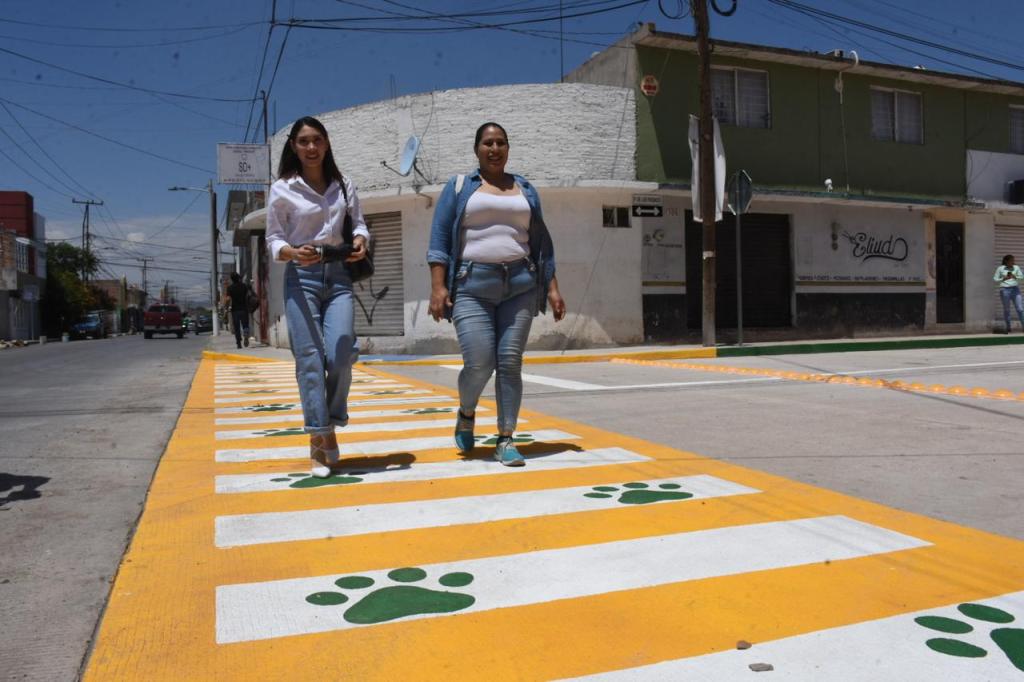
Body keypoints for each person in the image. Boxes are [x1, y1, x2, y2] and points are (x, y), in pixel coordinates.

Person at [427, 122, 566, 467]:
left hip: (520, 284)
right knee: (479, 362)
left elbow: (541, 244)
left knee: (509, 363)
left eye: (500, 142)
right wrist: (438, 286)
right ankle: (466, 411)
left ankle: (505, 438)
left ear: (508, 148)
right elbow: (440, 238)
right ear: (477, 149)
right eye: (487, 143)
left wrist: (552, 288)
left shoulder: (526, 189)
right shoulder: (460, 187)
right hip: (472, 286)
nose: (494, 148)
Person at [266, 116, 371, 477]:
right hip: (302, 276)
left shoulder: (343, 185)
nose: (311, 148)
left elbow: (358, 223)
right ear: (294, 146)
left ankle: (328, 420)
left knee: (342, 353)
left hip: (339, 274)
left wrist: (360, 241)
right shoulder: (282, 188)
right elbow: (274, 239)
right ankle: (319, 437)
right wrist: (293, 254)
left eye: (317, 140)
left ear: (326, 144)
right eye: (304, 141)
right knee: (309, 359)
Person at [994, 254, 1024, 333]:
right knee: (1007, 310)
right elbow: (995, 279)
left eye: (1014, 260)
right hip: (1004, 289)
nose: (1013, 262)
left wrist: (1015, 277)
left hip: (1015, 289)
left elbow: (1022, 278)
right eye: (1011, 260)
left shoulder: (1016, 267)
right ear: (1006, 261)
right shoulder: (1000, 268)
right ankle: (1008, 327)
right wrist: (1003, 278)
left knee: (1020, 309)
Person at [225, 272, 252, 348]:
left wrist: (227, 308)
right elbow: (249, 295)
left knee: (236, 327)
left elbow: (227, 299)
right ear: (238, 278)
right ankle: (246, 334)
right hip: (244, 308)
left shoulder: (230, 288)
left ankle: (239, 343)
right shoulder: (244, 286)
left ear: (232, 279)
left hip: (235, 310)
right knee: (245, 325)